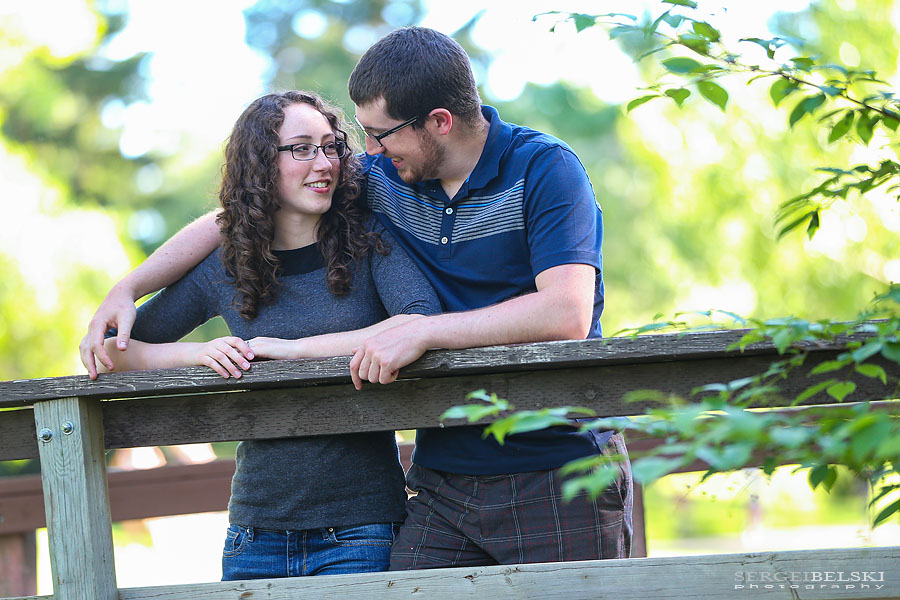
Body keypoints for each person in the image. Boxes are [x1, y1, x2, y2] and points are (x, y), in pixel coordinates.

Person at [80, 27, 632, 569]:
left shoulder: (545, 169)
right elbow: (243, 211)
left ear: (439, 122)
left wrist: (422, 329)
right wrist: (128, 288)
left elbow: (565, 314)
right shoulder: (390, 172)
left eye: (379, 133)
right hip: (443, 477)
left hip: (558, 463)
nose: (361, 153)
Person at [98, 90, 442, 579]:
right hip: (253, 535)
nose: (323, 162)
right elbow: (113, 353)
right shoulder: (225, 267)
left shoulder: (370, 243)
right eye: (301, 148)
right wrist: (199, 354)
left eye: (330, 146)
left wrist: (298, 350)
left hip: (362, 529)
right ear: (261, 163)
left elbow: (420, 319)